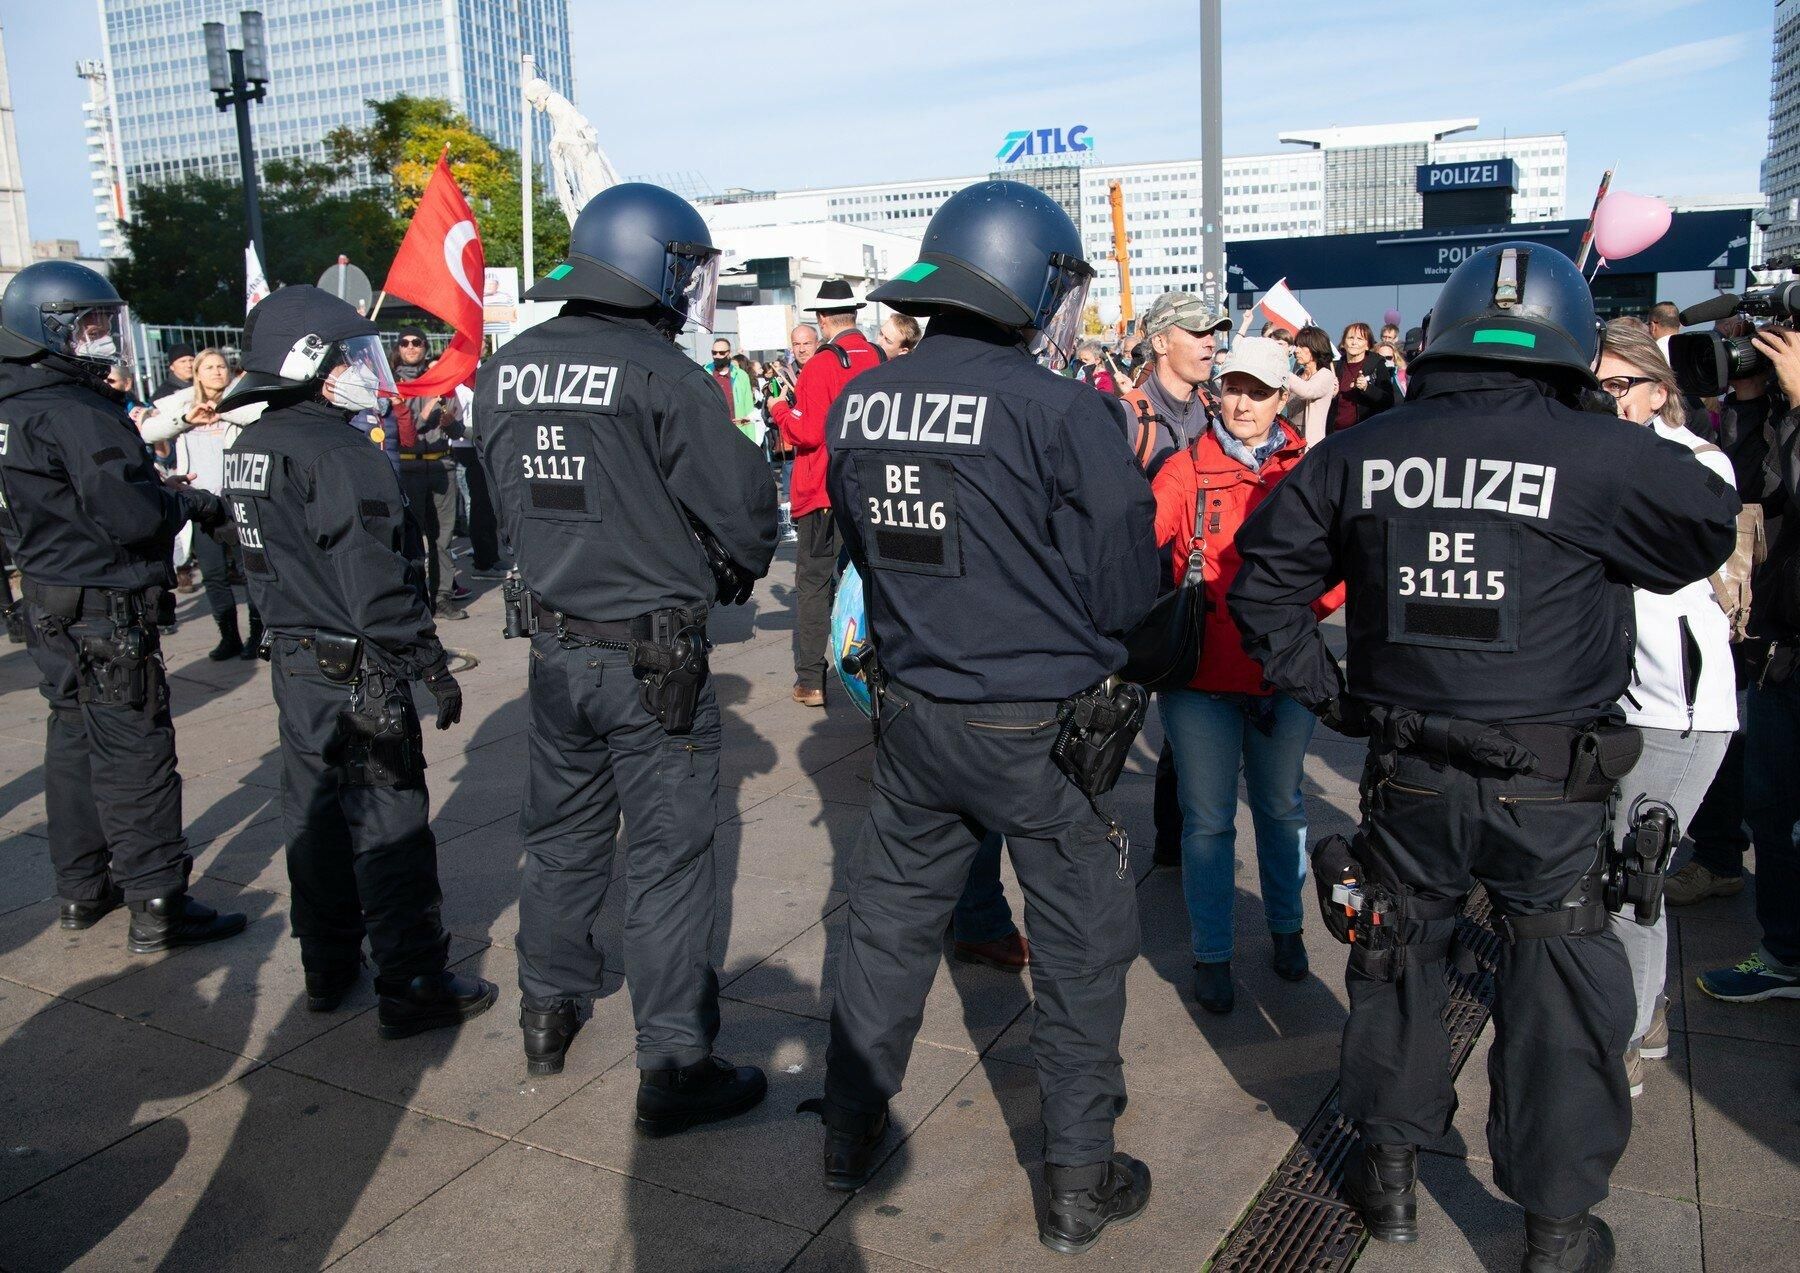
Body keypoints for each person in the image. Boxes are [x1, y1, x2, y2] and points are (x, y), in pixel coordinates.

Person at [1228, 242, 1739, 1272]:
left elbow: (1262, 588)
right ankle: (1553, 1226)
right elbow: (1703, 530)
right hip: (1550, 785)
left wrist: (1342, 700)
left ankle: (1389, 1179)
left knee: (1397, 968)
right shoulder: (1594, 452)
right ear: (1573, 349)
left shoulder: (1365, 450)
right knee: (1557, 993)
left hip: (1409, 770)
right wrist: (1597, 432)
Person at [816, 180, 1160, 1255]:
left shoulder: (861, 400)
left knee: (884, 930)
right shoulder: (1062, 406)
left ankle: (848, 1130)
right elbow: (1123, 582)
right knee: (1077, 950)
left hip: (916, 716)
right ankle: (1075, 1181)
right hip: (1041, 728)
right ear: (1025, 283)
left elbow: (863, 553)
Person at [476, 183, 779, 1128]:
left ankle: (547, 1008)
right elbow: (743, 509)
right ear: (653, 264)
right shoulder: (659, 369)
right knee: (666, 862)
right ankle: (676, 1064)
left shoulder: (508, 366)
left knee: (560, 841)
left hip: (556, 646)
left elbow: (498, 504)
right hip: (655, 661)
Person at [213, 286, 495, 1034]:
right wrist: (427, 659)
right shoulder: (342, 454)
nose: (367, 369)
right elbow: (376, 579)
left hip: (296, 661)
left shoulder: (249, 446)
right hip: (360, 667)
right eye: (352, 356)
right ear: (314, 363)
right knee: (389, 825)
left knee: (314, 821)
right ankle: (411, 980)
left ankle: (327, 965)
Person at [0, 260, 246, 950]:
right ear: (45, 328)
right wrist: (187, 501)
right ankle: (159, 900)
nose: (102, 334)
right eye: (88, 322)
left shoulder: (15, 403)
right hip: (105, 603)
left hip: (48, 594)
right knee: (134, 749)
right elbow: (134, 514)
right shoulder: (76, 410)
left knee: (72, 740)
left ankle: (82, 887)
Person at [1152, 336, 1342, 1013]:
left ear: (1282, 396)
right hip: (1200, 679)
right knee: (1206, 822)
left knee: (1283, 808)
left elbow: (1339, 566)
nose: (1242, 402)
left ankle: (1287, 931)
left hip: (1283, 675)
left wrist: (1293, 616)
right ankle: (1212, 952)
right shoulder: (1183, 468)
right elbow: (1141, 548)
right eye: (1233, 386)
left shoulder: (1311, 470)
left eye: (1258, 391)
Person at [1590, 320, 1738, 1089]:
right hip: (1621, 702)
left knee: (1634, 879)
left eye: (1621, 385)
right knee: (1623, 873)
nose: (1609, 401)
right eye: (1597, 385)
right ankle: (1643, 1016)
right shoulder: (1604, 450)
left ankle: (1625, 1042)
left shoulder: (1695, 462)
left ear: (1659, 388)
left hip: (1678, 708)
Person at [1668, 314, 1790, 906]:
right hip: (1772, 617)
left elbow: (1780, 482)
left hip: (1780, 618)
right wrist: (1749, 392)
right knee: (1765, 792)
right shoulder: (1770, 410)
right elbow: (1750, 486)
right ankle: (1723, 863)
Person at [1695, 323, 1800, 1004]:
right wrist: (1756, 397)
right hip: (1782, 643)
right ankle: (1785, 952)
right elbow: (1752, 486)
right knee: (1771, 805)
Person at [768, 278, 883, 708]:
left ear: (821, 319)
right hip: (866, 489)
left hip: (822, 492)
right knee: (871, 579)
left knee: (814, 585)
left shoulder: (821, 363)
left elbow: (805, 430)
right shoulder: (874, 356)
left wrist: (779, 408)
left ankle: (811, 680)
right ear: (853, 313)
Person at [144, 348, 261, 660]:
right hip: (201, 500)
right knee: (213, 574)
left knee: (249, 571)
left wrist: (224, 411)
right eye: (208, 367)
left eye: (221, 366)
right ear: (196, 373)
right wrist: (186, 418)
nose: (216, 372)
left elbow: (259, 417)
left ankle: (257, 636)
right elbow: (149, 430)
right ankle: (228, 637)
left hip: (236, 498)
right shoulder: (181, 402)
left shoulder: (241, 397)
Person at [392, 327, 465, 620]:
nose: (411, 347)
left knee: (442, 539)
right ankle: (416, 597)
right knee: (409, 539)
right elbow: (395, 430)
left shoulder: (442, 382)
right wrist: (420, 418)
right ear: (398, 347)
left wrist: (448, 421)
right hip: (407, 468)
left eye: (417, 342)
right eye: (405, 342)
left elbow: (458, 428)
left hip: (440, 466)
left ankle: (443, 596)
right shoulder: (390, 385)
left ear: (424, 347)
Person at [1124, 290, 1231, 472]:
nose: (1211, 343)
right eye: (1198, 333)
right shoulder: (1128, 418)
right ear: (1160, 343)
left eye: (1211, 332)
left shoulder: (1218, 412)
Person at [1330, 322, 1396, 433]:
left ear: (1368, 345)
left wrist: (1367, 388)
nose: (1354, 342)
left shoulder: (1377, 365)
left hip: (1365, 434)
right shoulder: (1335, 367)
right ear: (1343, 343)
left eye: (1360, 339)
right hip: (1335, 435)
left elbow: (1388, 400)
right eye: (1350, 338)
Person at [1284, 324, 1339, 448]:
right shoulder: (1297, 375)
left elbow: (1307, 391)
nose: (1296, 350)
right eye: (1297, 345)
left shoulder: (1325, 375)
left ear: (1315, 347)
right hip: (1290, 439)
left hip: (1309, 445)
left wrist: (1282, 369)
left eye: (1302, 346)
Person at [708, 336, 758, 443]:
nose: (717, 356)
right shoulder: (705, 373)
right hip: (713, 434)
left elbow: (748, 410)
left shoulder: (741, 376)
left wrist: (751, 442)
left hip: (737, 433)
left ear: (729, 353)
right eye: (714, 352)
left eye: (721, 353)